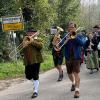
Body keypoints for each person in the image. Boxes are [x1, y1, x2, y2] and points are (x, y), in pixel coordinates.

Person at [64, 22, 84, 98]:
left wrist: (75, 37)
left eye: (72, 27)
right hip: (68, 57)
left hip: (76, 57)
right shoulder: (65, 35)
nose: (71, 28)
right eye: (69, 27)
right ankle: (73, 82)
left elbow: (82, 43)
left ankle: (77, 91)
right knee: (69, 74)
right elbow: (61, 45)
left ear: (75, 28)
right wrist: (66, 40)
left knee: (76, 73)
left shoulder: (79, 35)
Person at [22, 27, 43, 98]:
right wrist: (24, 44)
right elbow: (23, 48)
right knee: (28, 76)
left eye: (32, 32)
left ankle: (35, 91)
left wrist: (32, 41)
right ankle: (36, 82)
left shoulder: (38, 39)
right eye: (29, 32)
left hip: (36, 60)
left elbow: (40, 46)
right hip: (27, 60)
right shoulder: (25, 38)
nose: (30, 33)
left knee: (35, 75)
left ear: (35, 33)